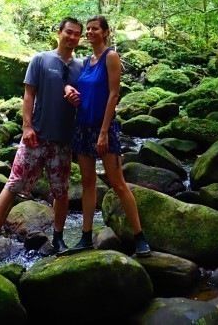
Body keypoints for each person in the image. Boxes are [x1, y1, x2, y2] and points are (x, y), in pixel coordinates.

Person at [0, 17, 83, 254]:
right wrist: (26, 127)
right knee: (13, 184)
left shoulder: (80, 67)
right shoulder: (41, 60)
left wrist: (78, 100)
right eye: (69, 32)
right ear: (59, 32)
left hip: (63, 140)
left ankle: (59, 239)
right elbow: (29, 95)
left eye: (77, 34)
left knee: (61, 192)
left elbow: (83, 101)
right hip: (36, 136)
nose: (72, 37)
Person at [64, 15, 151, 257]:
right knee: (88, 183)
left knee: (118, 183)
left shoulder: (110, 57)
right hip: (82, 127)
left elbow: (114, 95)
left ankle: (139, 236)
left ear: (105, 32)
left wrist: (103, 132)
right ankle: (85, 236)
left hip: (104, 128)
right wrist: (69, 91)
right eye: (88, 29)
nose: (90, 32)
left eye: (95, 29)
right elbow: (75, 88)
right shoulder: (85, 61)